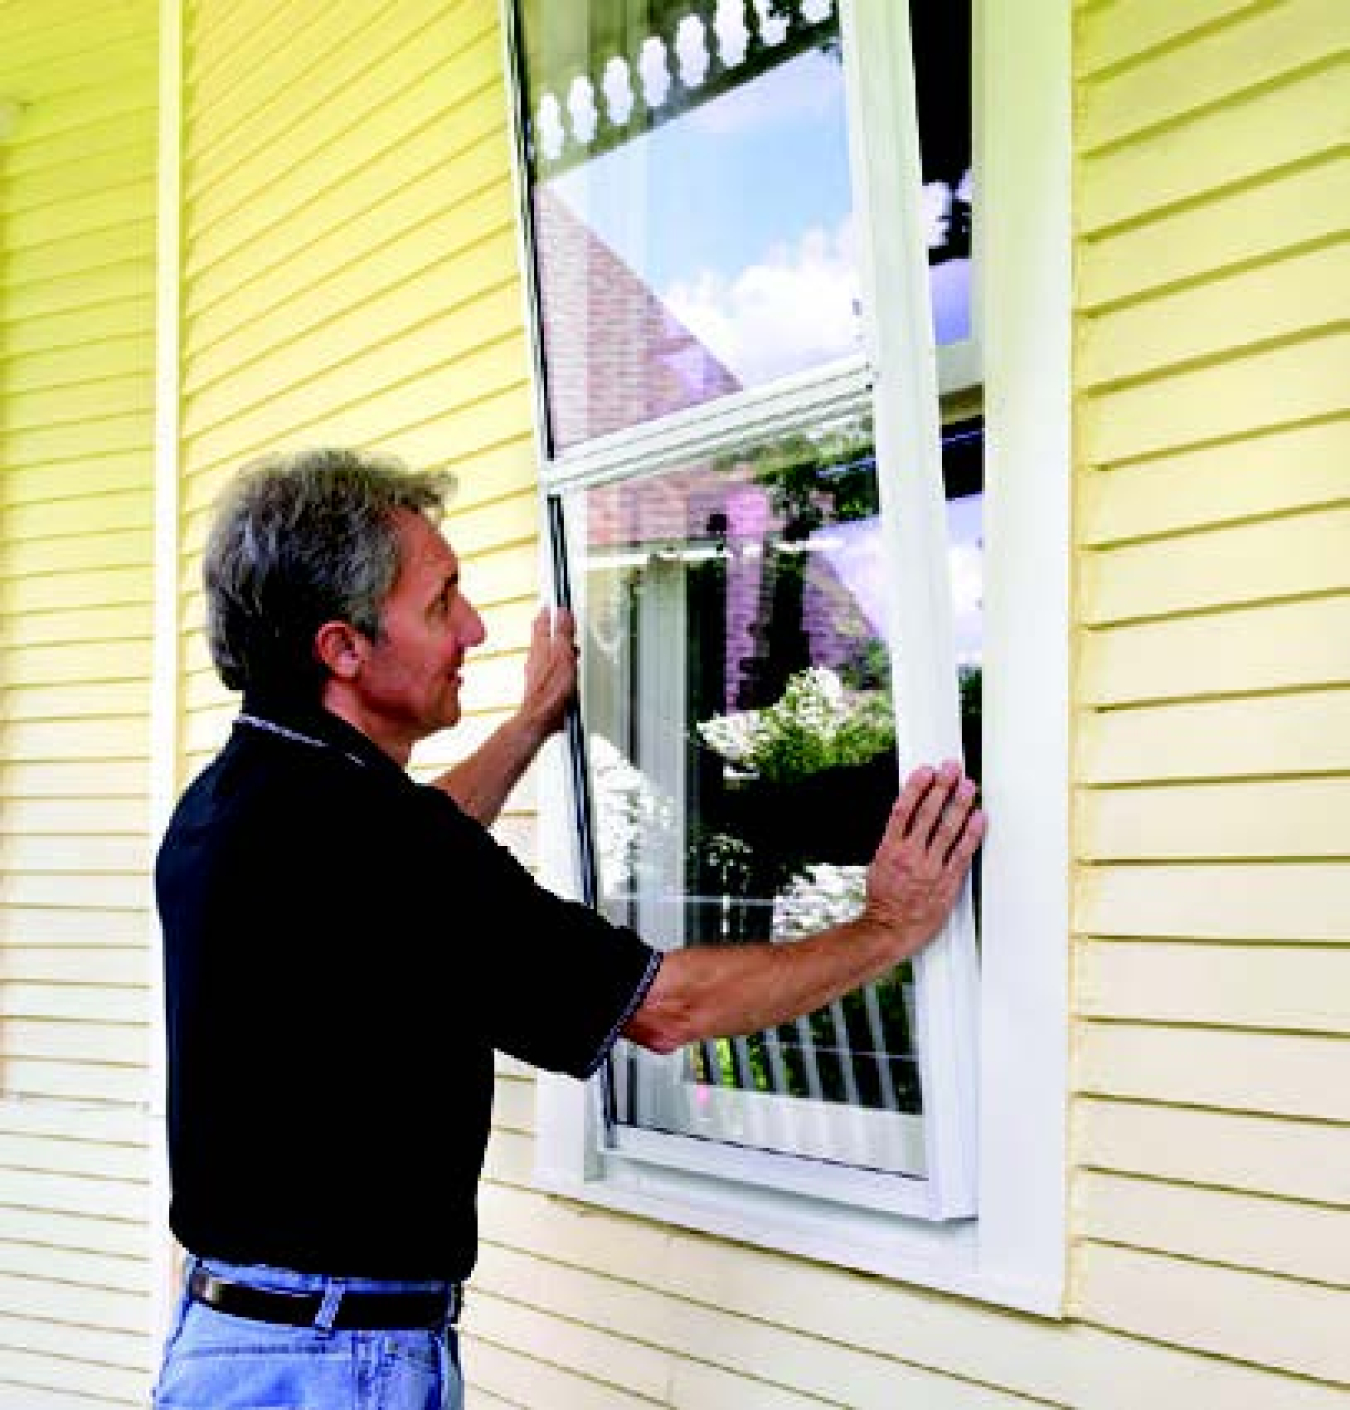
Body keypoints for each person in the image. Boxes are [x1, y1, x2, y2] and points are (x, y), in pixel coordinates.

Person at [151, 447, 985, 1410]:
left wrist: (527, 727)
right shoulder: (381, 847)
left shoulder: (234, 803)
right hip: (334, 1369)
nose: (472, 627)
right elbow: (667, 1008)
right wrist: (884, 929)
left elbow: (406, 863)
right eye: (440, 604)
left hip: (235, 1343)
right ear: (343, 649)